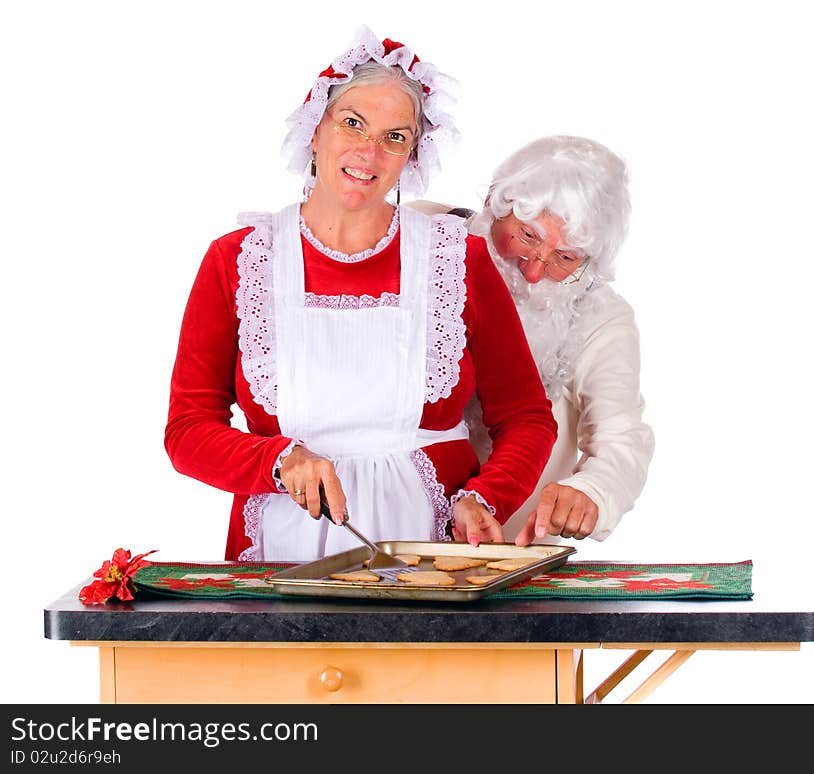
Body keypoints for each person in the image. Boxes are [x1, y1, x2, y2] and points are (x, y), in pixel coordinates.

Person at [163, 27, 557, 562]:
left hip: (432, 552)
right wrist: (279, 460)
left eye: (395, 137)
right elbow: (188, 432)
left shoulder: (457, 258)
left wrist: (487, 497)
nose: (370, 151)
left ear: (411, 156)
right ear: (315, 130)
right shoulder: (237, 261)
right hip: (277, 554)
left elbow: (527, 416)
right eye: (353, 124)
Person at [410, 135, 654, 550]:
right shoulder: (418, 239)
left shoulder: (601, 317)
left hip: (505, 551)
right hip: (387, 531)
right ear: (494, 204)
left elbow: (620, 438)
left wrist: (592, 491)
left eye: (565, 258)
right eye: (527, 237)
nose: (535, 272)